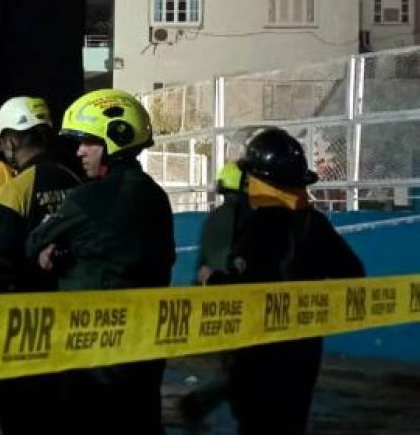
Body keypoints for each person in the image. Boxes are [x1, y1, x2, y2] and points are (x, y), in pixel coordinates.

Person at [26, 88, 174, 434]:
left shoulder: (89, 197)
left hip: (95, 356)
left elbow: (33, 243)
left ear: (116, 138)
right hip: (145, 347)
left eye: (89, 142)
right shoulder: (155, 195)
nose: (79, 151)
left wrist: (58, 250)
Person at [221, 127, 365, 434]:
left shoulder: (258, 227)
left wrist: (213, 282)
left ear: (259, 180)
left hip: (259, 356)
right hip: (303, 352)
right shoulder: (314, 224)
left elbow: (243, 292)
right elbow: (353, 272)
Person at [0, 96, 82, 435]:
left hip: (25, 328)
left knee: (22, 417)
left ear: (12, 139)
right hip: (73, 322)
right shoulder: (76, 180)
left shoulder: (16, 189)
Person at [179, 162, 248, 427]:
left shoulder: (214, 217)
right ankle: (198, 404)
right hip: (240, 302)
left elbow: (203, 265)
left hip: (215, 301)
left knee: (236, 368)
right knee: (244, 371)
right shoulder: (247, 218)